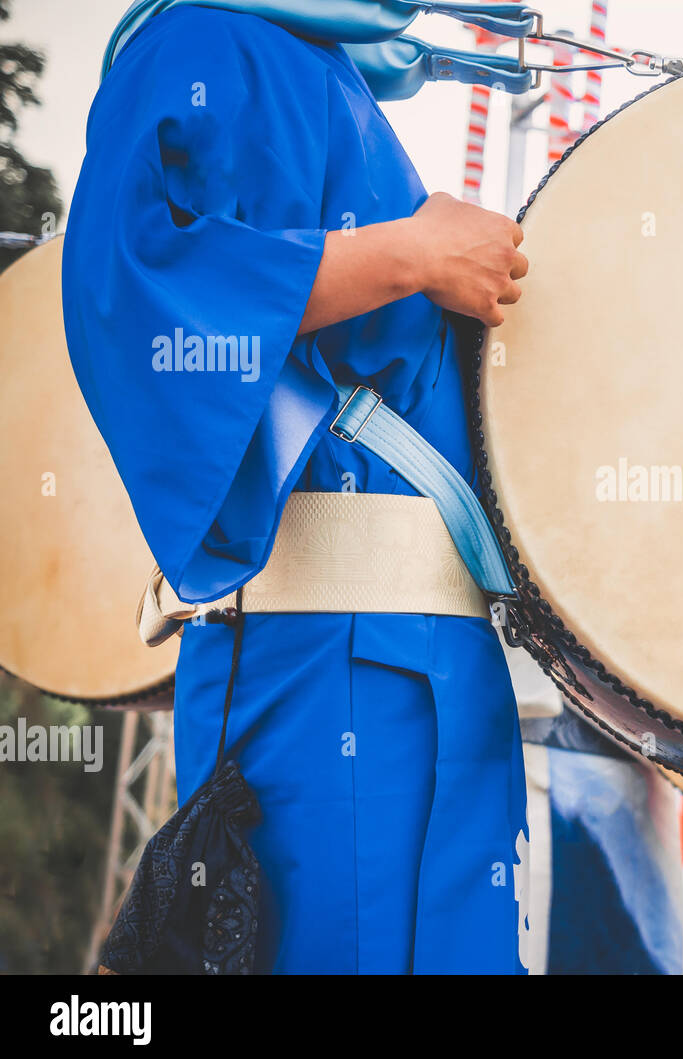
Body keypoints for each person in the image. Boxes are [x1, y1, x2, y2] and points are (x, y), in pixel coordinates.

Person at [62, 4, 531, 974]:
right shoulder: (199, 37)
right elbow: (138, 280)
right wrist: (412, 254)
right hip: (329, 671)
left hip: (434, 665)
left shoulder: (325, 59)